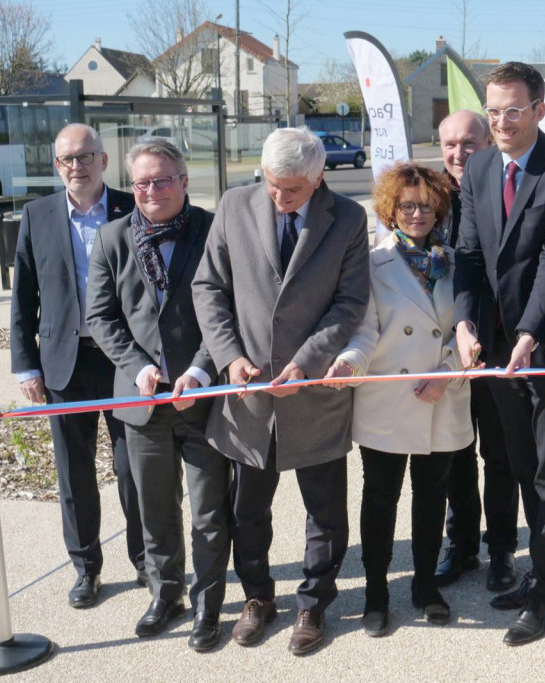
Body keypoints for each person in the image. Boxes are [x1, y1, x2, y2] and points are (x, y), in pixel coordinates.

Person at [192, 126, 369, 655]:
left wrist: (308, 362)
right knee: (248, 511)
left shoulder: (349, 218)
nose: (279, 197)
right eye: (272, 184)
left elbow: (350, 302)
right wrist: (229, 357)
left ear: (318, 178)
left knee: (325, 511)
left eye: (292, 189)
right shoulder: (233, 205)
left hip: (312, 391)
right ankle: (257, 597)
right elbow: (209, 288)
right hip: (246, 394)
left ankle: (313, 603)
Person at [453, 61, 545, 645]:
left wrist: (532, 335)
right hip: (494, 347)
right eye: (494, 111)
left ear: (539, 108)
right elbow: (467, 254)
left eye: (514, 109)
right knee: (518, 464)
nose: (503, 121)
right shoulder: (480, 167)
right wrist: (463, 322)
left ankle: (544, 598)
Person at [86, 139, 231, 651]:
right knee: (154, 509)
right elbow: (100, 317)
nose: (151, 191)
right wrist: (138, 366)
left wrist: (200, 370)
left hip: (202, 398)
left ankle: (207, 606)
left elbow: (228, 314)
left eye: (163, 180)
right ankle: (165, 593)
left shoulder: (214, 230)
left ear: (184, 181)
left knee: (210, 512)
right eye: (142, 182)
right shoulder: (111, 239)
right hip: (141, 400)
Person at [326, 163, 472, 636]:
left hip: (441, 396)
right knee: (380, 498)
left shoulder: (458, 262)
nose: (416, 214)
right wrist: (350, 362)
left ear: (439, 210)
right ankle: (375, 593)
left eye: (426, 206)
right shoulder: (371, 263)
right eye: (407, 206)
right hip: (388, 396)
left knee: (432, 497)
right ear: (390, 210)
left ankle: (426, 586)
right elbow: (364, 332)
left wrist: (446, 372)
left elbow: (466, 332)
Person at [10, 123, 144, 608]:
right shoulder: (37, 215)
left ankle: (146, 561)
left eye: (85, 157)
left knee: (134, 470)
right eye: (67, 159)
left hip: (125, 361)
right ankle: (86, 569)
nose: (76, 167)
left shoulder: (133, 207)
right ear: (56, 166)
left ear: (104, 161)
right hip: (64, 364)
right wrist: (26, 366)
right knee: (74, 473)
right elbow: (23, 294)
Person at [434, 110, 518, 593]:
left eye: (469, 143)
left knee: (500, 453)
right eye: (449, 144)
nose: (459, 153)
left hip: (494, 344)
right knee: (453, 451)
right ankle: (460, 544)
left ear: (489, 142)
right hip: (439, 347)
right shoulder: (426, 197)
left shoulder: (506, 188)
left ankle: (502, 549)